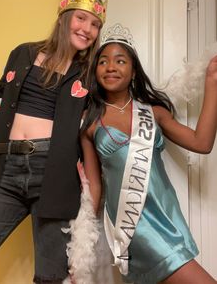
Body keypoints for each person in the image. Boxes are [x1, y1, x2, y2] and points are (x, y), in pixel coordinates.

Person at [0, 0, 107, 284]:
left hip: (54, 173)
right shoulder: (23, 53)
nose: (87, 29)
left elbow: (105, 112)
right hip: (4, 169)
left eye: (95, 25)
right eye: (81, 18)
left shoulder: (89, 74)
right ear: (64, 17)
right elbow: (0, 102)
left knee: (52, 277)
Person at [80, 24, 217, 284]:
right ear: (95, 70)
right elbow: (94, 187)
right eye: (103, 62)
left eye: (120, 61)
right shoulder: (90, 122)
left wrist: (212, 82)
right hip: (131, 228)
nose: (111, 67)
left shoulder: (154, 113)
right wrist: (80, 245)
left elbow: (202, 143)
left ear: (133, 72)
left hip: (166, 220)